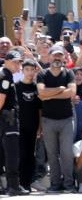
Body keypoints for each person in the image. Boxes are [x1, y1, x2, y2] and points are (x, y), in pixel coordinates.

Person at [37, 46, 76, 192]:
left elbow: (71, 92)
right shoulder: (42, 74)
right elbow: (41, 92)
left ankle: (68, 184)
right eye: (55, 56)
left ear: (64, 58)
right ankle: (55, 184)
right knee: (52, 154)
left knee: (66, 153)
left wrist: (50, 95)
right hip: (48, 120)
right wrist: (60, 88)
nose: (57, 58)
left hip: (66, 120)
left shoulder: (69, 73)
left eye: (60, 56)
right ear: (50, 57)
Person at [0, 51, 27, 196]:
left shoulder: (6, 75)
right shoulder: (5, 76)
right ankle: (13, 186)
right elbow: (1, 98)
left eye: (19, 62)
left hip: (6, 119)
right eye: (15, 62)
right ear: (7, 61)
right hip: (8, 120)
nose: (18, 65)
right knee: (12, 154)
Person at [15, 59, 42, 192]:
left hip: (33, 126)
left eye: (32, 70)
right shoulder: (16, 86)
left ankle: (27, 183)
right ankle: (19, 182)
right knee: (21, 154)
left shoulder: (37, 88)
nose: (30, 72)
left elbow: (40, 110)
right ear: (22, 70)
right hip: (19, 126)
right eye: (27, 69)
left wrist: (40, 127)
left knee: (31, 155)